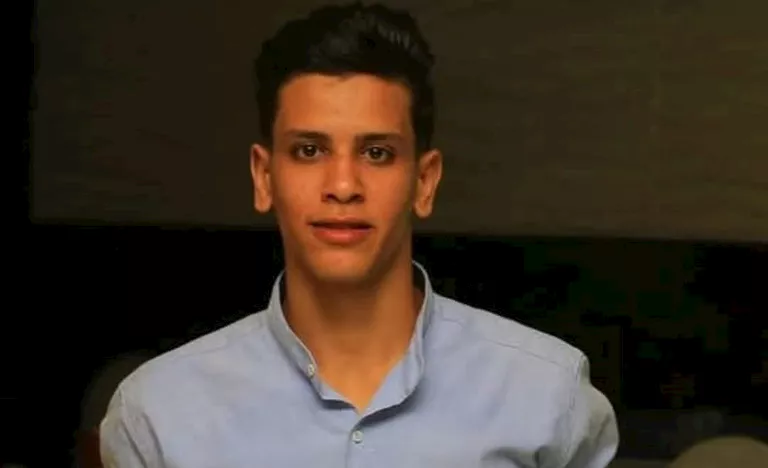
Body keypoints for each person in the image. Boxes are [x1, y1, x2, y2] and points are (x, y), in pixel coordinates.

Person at [100, 2, 619, 467]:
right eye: (309, 150)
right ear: (264, 177)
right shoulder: (159, 414)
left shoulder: (548, 398)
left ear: (424, 182)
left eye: (377, 153)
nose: (344, 186)